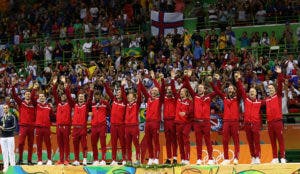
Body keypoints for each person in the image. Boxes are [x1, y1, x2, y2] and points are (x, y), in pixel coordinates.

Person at [184, 71, 216, 165]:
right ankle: (199, 159)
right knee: (198, 141)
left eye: (201, 88)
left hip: (206, 122)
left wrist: (212, 82)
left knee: (208, 141)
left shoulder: (208, 97)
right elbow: (188, 87)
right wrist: (187, 76)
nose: (200, 89)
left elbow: (218, 91)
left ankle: (210, 158)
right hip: (197, 123)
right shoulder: (195, 96)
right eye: (199, 88)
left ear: (204, 89)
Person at [236, 72, 263, 164]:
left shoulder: (259, 102)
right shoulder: (246, 99)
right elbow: (241, 89)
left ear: (256, 94)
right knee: (250, 142)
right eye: (250, 91)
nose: (252, 92)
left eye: (253, 92)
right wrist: (239, 79)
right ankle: (253, 157)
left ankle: (258, 157)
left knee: (257, 142)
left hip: (255, 124)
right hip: (247, 124)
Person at [66, 77, 94, 166]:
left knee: (84, 145)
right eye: (79, 97)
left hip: (82, 128)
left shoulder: (86, 105)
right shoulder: (74, 105)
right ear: (77, 98)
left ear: (84, 98)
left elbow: (90, 99)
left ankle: (85, 159)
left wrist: (91, 90)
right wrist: (66, 88)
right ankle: (77, 160)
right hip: (75, 129)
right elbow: (69, 98)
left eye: (82, 97)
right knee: (75, 145)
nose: (81, 98)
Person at [213, 77, 240, 165]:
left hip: (234, 122)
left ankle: (236, 158)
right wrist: (217, 80)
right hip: (226, 122)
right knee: (225, 140)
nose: (230, 89)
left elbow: (241, 90)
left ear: (234, 90)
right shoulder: (224, 97)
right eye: (229, 88)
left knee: (236, 140)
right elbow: (216, 90)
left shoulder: (237, 98)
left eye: (231, 88)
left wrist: (237, 80)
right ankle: (226, 159)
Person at [140, 71, 164, 165]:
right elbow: (143, 90)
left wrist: (154, 79)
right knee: (148, 140)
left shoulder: (160, 99)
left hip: (155, 122)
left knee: (156, 140)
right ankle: (150, 157)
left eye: (155, 91)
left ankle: (156, 158)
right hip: (148, 122)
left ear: (157, 92)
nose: (153, 92)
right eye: (152, 91)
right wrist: (139, 81)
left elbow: (162, 90)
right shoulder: (149, 98)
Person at [265, 66, 286, 164]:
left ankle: (282, 157)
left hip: (278, 122)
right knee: (272, 141)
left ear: (274, 89)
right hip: (270, 123)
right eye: (269, 88)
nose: (270, 89)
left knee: (280, 140)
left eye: (272, 88)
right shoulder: (267, 99)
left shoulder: (277, 96)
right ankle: (274, 158)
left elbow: (280, 83)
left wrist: (279, 73)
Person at [103, 78, 127, 165]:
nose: (117, 93)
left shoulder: (125, 102)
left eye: (119, 92)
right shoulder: (114, 100)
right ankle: (114, 160)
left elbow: (124, 95)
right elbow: (109, 92)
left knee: (122, 143)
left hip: (121, 126)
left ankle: (124, 159)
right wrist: (104, 82)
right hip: (113, 125)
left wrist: (122, 86)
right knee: (113, 143)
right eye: (117, 92)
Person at [12, 79, 35, 165]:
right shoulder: (21, 103)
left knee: (30, 144)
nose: (28, 95)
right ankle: (20, 159)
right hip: (23, 126)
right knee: (21, 143)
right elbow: (14, 95)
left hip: (31, 126)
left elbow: (34, 96)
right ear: (24, 95)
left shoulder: (34, 104)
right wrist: (13, 86)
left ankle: (29, 160)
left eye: (29, 94)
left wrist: (33, 89)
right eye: (26, 94)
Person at [52, 76, 73, 165]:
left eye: (65, 95)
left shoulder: (70, 104)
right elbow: (54, 93)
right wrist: (54, 84)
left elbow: (68, 94)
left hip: (66, 126)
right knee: (60, 144)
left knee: (66, 143)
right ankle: (61, 159)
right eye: (62, 95)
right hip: (58, 126)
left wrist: (65, 85)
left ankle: (67, 159)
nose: (63, 96)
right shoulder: (58, 104)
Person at [32, 83, 53, 165]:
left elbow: (53, 116)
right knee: (39, 144)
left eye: (43, 96)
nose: (41, 97)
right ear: (38, 98)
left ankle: (49, 160)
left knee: (48, 144)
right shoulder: (36, 105)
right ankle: (39, 160)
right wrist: (34, 89)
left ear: (45, 97)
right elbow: (32, 98)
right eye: (40, 96)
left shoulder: (49, 106)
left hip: (47, 128)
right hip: (38, 128)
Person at [123, 78, 142, 165]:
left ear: (134, 97)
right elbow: (123, 96)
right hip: (127, 127)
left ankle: (138, 160)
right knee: (128, 145)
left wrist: (139, 85)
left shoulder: (136, 104)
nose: (128, 97)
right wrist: (122, 86)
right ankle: (129, 160)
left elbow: (140, 97)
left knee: (136, 144)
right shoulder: (126, 104)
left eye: (130, 96)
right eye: (128, 96)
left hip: (134, 127)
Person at [161, 74, 178, 164]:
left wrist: (172, 80)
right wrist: (162, 80)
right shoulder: (164, 98)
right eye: (168, 90)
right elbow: (162, 90)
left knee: (174, 140)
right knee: (168, 140)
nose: (169, 91)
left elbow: (175, 91)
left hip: (173, 121)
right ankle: (168, 158)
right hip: (166, 121)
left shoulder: (175, 98)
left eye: (170, 90)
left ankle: (175, 157)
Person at [90, 90, 110, 166]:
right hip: (94, 126)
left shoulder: (105, 103)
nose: (97, 97)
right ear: (94, 97)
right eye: (95, 95)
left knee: (103, 143)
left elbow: (109, 111)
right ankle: (95, 159)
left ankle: (103, 160)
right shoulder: (92, 104)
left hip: (102, 126)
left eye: (98, 95)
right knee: (94, 143)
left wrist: (103, 118)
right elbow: (88, 111)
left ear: (101, 96)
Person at [174, 86, 193, 165]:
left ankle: (187, 159)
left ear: (186, 93)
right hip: (178, 123)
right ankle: (182, 159)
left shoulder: (189, 101)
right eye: (180, 91)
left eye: (182, 91)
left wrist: (186, 113)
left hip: (186, 123)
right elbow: (173, 89)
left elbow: (192, 111)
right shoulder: (177, 99)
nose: (181, 92)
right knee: (180, 142)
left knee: (186, 141)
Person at [0, 104, 16, 172]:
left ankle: (12, 166)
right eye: (4, 108)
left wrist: (4, 129)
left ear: (8, 109)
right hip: (2, 137)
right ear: (3, 109)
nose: (5, 109)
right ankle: (5, 167)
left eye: (6, 108)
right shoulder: (1, 117)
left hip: (10, 137)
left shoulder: (12, 116)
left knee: (11, 152)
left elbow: (14, 126)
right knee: (4, 152)